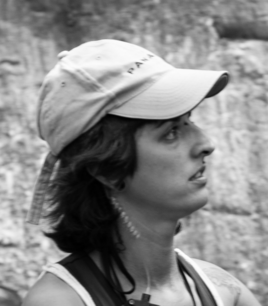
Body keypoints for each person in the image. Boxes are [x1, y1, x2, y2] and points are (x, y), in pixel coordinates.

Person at [22, 39, 261, 306]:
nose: (206, 144)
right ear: (105, 168)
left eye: (189, 121)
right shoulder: (61, 301)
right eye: (170, 132)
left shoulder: (225, 292)